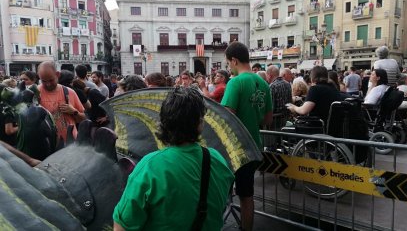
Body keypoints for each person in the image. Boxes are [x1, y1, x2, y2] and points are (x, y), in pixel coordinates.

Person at [113, 87, 234, 231]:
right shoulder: (217, 159)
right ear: (200, 124)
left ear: (163, 122)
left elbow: (122, 226)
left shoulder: (150, 166)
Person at [221, 41, 272, 231]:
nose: (229, 68)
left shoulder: (235, 82)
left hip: (235, 149)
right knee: (246, 196)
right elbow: (267, 119)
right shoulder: (264, 84)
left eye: (228, 64)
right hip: (254, 147)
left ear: (234, 60)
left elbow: (226, 116)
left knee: (219, 193)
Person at [37, 61, 86, 146]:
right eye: (44, 81)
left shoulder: (69, 92)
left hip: (70, 143)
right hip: (47, 144)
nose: (48, 84)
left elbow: (83, 119)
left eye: (51, 80)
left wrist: (74, 111)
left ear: (57, 74)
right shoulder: (36, 93)